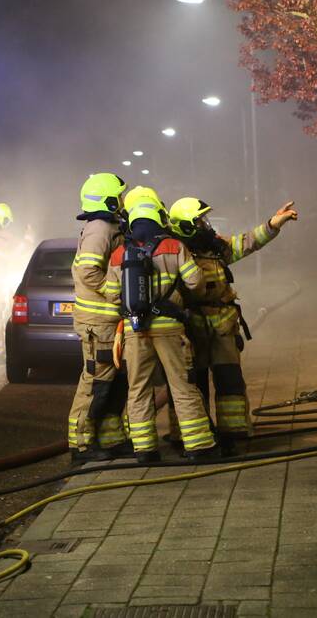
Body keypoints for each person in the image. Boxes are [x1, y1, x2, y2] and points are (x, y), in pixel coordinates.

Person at [168, 197, 298, 455]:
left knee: (230, 381)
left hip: (223, 327)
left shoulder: (215, 247)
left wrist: (273, 224)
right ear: (186, 226)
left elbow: (245, 243)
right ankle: (194, 435)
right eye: (199, 220)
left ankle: (234, 432)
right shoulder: (176, 252)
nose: (206, 225)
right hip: (192, 328)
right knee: (193, 385)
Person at [105, 189, 217, 463]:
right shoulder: (174, 246)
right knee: (182, 385)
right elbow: (195, 283)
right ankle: (198, 446)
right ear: (158, 213)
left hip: (134, 330)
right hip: (169, 327)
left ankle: (144, 450)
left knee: (138, 389)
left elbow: (111, 293)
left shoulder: (120, 253)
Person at [67, 173, 130, 462]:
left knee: (115, 383)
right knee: (96, 382)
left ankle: (111, 440)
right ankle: (81, 446)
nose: (122, 201)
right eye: (119, 196)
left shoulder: (108, 226)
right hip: (98, 324)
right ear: (107, 199)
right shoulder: (99, 229)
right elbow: (88, 271)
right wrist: (115, 292)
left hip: (107, 322)